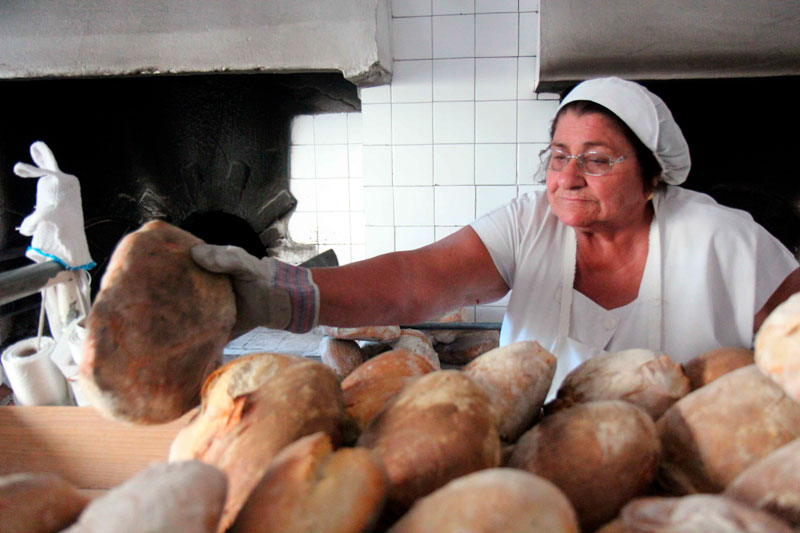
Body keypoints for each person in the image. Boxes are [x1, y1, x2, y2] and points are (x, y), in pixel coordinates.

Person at [191, 77, 800, 396]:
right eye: (558, 155)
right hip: (539, 469)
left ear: (651, 176)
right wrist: (280, 294)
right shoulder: (531, 220)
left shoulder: (723, 239)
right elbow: (414, 280)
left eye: (597, 159)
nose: (567, 178)